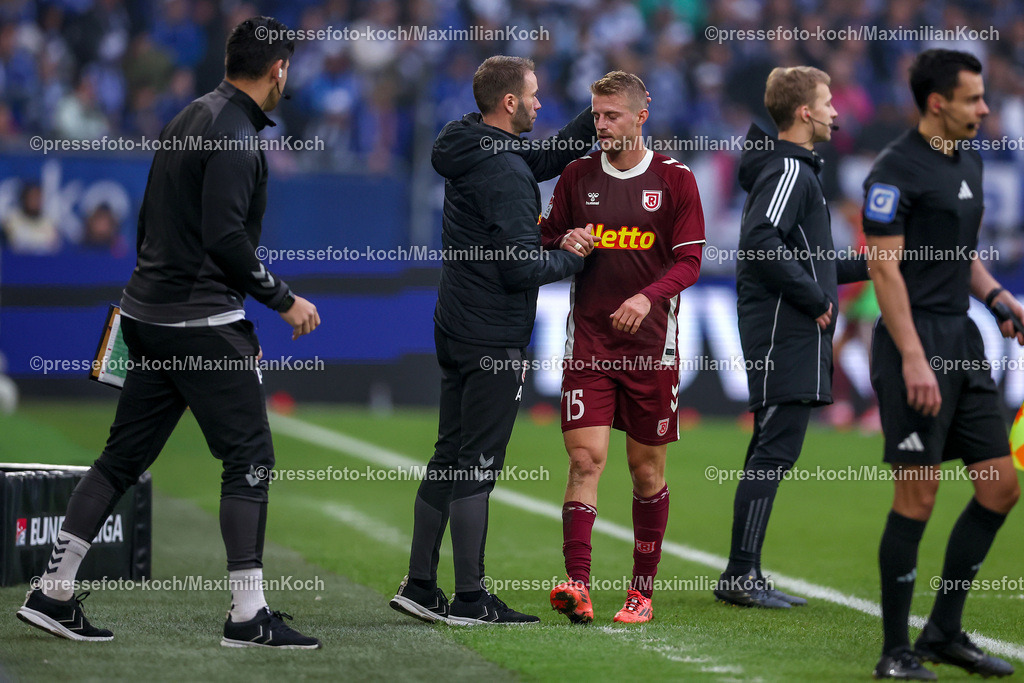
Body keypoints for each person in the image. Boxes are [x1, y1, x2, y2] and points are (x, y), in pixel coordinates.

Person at [16, 16, 322, 649]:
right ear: (278, 70)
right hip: (200, 323)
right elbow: (226, 238)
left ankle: (54, 590)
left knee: (120, 459)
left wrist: (150, 300)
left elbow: (150, 222)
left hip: (149, 315)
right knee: (250, 459)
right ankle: (247, 613)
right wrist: (281, 300)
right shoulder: (237, 133)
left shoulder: (189, 116)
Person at [389, 55, 596, 625]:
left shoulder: (468, 141)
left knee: (448, 453)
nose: (537, 102)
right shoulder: (505, 173)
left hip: (455, 324)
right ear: (509, 103)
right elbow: (518, 268)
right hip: (492, 334)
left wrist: (594, 115)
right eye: (532, 95)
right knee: (478, 463)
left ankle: (422, 586)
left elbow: (545, 156)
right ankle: (473, 600)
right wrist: (573, 257)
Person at [865, 49, 1019, 680]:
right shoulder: (894, 169)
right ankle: (894, 652)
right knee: (918, 495)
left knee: (1002, 486)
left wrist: (997, 295)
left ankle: (943, 631)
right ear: (937, 103)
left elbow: (961, 255)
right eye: (973, 98)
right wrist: (912, 359)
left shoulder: (970, 160)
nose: (984, 108)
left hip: (964, 337)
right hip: (915, 343)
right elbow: (883, 266)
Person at [537, 71, 704, 625]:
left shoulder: (676, 180)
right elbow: (544, 232)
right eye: (595, 114)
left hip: (651, 350)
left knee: (645, 472)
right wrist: (563, 238)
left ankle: (640, 593)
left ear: (640, 115)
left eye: (610, 115)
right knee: (585, 460)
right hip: (588, 343)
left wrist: (645, 298)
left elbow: (689, 262)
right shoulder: (577, 174)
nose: (600, 124)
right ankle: (577, 585)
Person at [712, 66, 867, 609]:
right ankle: (740, 576)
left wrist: (870, 265)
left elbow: (811, 259)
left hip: (788, 329)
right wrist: (815, 299)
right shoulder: (790, 171)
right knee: (773, 452)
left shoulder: (794, 170)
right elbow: (759, 241)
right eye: (827, 102)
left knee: (771, 449)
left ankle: (743, 572)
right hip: (785, 330)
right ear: (804, 112)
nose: (835, 112)